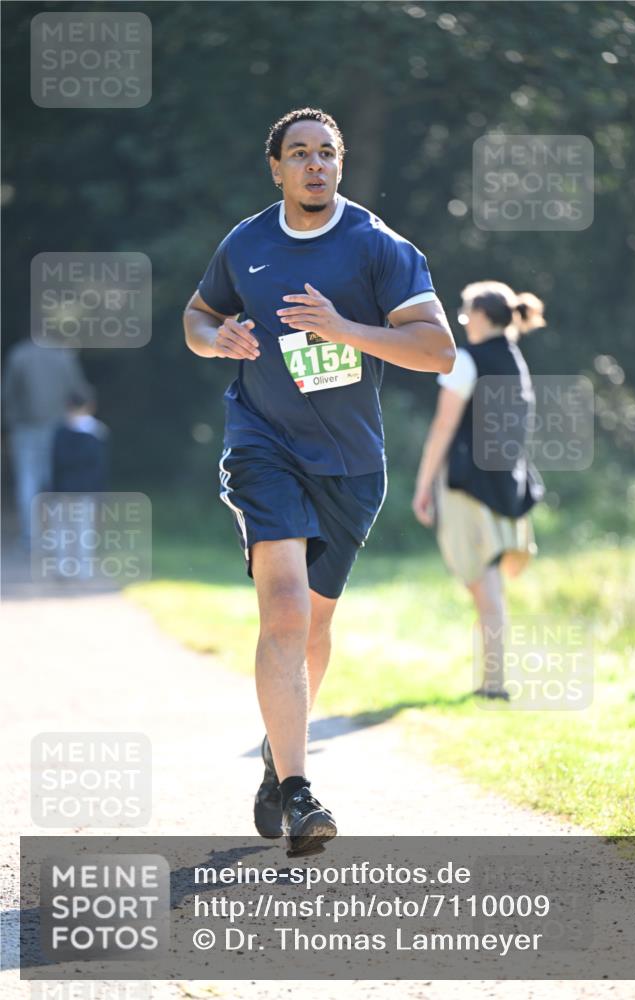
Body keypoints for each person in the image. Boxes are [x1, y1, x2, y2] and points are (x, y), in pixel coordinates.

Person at [183, 107, 455, 854]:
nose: (314, 164)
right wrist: (217, 342)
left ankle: (279, 757)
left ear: (341, 164)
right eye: (298, 153)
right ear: (275, 166)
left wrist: (345, 329)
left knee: (315, 625)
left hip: (350, 464)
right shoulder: (248, 243)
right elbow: (198, 314)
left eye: (326, 153)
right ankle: (303, 795)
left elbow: (436, 351)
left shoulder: (377, 246)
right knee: (283, 612)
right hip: (262, 442)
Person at [412, 281, 546, 701]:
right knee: (490, 587)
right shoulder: (514, 358)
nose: (463, 320)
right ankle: (492, 680)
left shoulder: (466, 360)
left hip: (468, 485)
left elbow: (444, 426)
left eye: (467, 313)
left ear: (484, 317)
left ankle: (493, 684)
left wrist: (423, 485)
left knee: (483, 585)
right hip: (509, 483)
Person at [2, 337, 89, 545]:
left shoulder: (18, 355)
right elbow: (79, 390)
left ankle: (30, 538)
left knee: (27, 481)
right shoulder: (63, 356)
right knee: (54, 482)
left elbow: (7, 393)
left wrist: (11, 419)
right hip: (58, 428)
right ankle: (56, 537)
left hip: (24, 427)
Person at [49, 389, 110, 580]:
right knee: (84, 530)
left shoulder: (60, 431)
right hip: (87, 491)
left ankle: (63, 567)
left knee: (62, 531)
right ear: (90, 406)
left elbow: (55, 464)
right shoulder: (98, 432)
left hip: (64, 490)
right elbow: (100, 468)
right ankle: (84, 569)